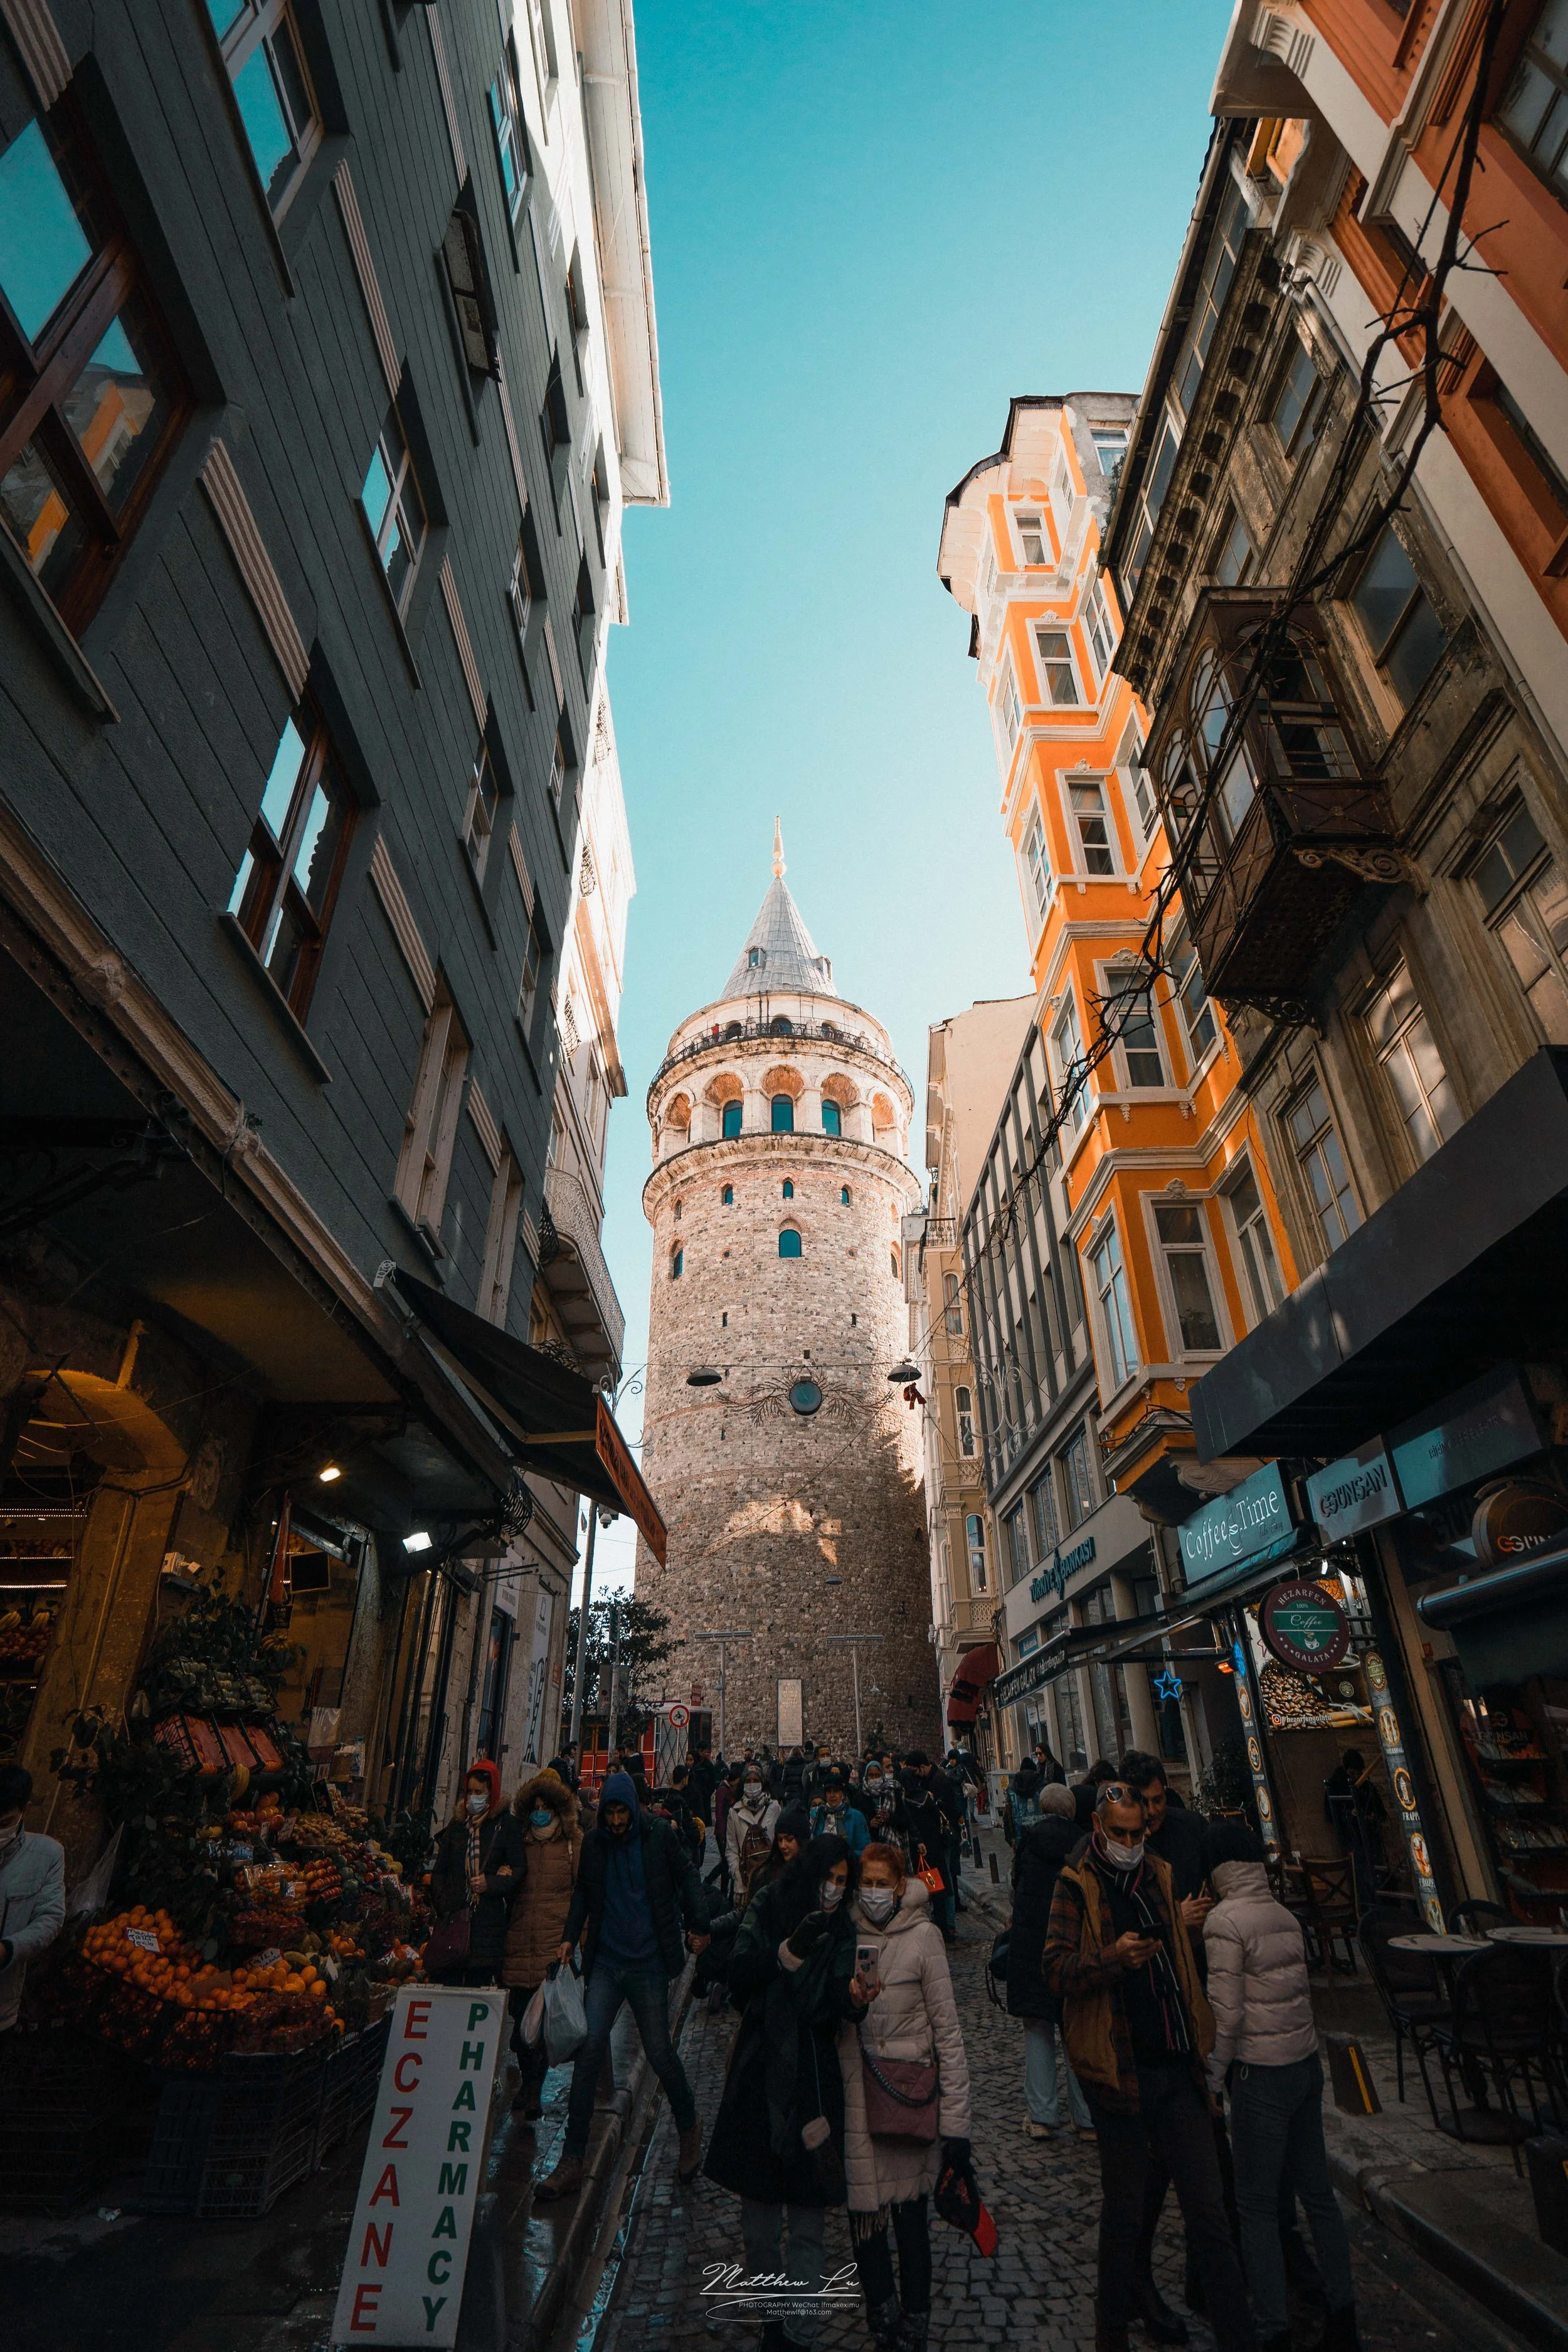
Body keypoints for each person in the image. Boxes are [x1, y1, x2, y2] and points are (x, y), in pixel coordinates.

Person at [1046, 1781, 1254, 2352]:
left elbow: (1183, 1973)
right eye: (1120, 1834)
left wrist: (1202, 2058)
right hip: (1119, 2074)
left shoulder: (1159, 1876)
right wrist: (1112, 1960)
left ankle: (1238, 2335)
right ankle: (1111, 2333)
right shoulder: (1076, 1884)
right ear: (1097, 1828)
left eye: (1137, 1834)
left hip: (1176, 2070)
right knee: (1125, 2217)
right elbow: (1056, 1971)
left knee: (1209, 2213)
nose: (1130, 1843)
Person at [704, 1833, 874, 2352]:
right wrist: (779, 1959)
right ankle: (772, 2320)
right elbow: (736, 1970)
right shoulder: (770, 1903)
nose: (835, 1889)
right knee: (757, 2224)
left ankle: (799, 2336)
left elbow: (844, 2000)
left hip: (814, 2081)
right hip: (761, 2070)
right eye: (831, 1878)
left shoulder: (842, 1928)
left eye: (844, 1883)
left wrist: (856, 2001)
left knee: (807, 2223)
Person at [1204, 1824, 1360, 2352]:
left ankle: (1272, 2327)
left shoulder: (1224, 1921)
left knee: (1257, 2205)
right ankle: (1344, 2314)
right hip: (1304, 2065)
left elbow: (1227, 2017)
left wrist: (1212, 2078)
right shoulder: (1284, 1916)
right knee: (1318, 2196)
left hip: (1260, 2075)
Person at [536, 1771, 710, 2201]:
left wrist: (699, 1923)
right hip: (608, 1962)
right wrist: (568, 1936)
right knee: (590, 2048)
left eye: (621, 1812)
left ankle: (689, 2125)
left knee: (658, 2051)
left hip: (649, 1962)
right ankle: (572, 2159)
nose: (615, 1821)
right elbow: (583, 1895)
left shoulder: (657, 1837)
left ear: (633, 1808)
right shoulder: (595, 1845)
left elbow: (689, 1877)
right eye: (610, 1812)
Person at [839, 1840, 972, 2352]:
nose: (872, 1893)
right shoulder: (844, 1932)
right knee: (865, 2216)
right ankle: (882, 2312)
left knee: (911, 2220)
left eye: (881, 1883)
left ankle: (915, 2315)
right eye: (865, 1883)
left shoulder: (925, 1938)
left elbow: (950, 2034)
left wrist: (957, 2127)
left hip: (909, 2095)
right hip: (856, 2095)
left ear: (899, 1887)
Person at [1007, 1783, 1093, 2141]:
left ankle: (1042, 2116)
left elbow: (1016, 1890)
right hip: (1072, 1947)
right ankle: (1087, 2118)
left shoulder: (1029, 1839)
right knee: (1076, 2033)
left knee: (1039, 2032)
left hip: (1032, 1948)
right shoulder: (1085, 1845)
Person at [502, 1768, 583, 2116]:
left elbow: (583, 1894)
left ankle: (534, 2089)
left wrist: (575, 1938)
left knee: (543, 2024)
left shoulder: (570, 1844)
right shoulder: (518, 1842)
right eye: (534, 1805)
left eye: (545, 1806)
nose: (540, 1811)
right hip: (520, 1940)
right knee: (520, 2023)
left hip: (553, 1944)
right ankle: (526, 2078)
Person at [429, 1760, 529, 1985]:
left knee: (478, 1985)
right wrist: (444, 1903)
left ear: (491, 1792)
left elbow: (519, 1869)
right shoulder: (458, 1825)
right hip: (454, 1922)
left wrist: (491, 1883)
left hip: (487, 1928)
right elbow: (440, 1871)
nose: (474, 1798)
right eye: (470, 1792)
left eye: (480, 1792)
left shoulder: (506, 1825)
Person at [0, 1765, 64, 2037]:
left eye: (3, 1823)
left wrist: (8, 1949)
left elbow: (50, 1918)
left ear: (25, 1809)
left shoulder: (47, 1855)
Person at [728, 1764, 781, 1897]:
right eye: (748, 1781)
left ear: (762, 1782)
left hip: (770, 1879)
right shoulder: (735, 1812)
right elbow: (731, 1848)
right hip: (745, 1883)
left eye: (756, 1781)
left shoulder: (774, 1808)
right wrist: (737, 1873)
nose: (752, 1784)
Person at [811, 1771, 869, 1856]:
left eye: (836, 1791)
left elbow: (865, 1851)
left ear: (842, 1793)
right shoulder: (818, 1815)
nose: (832, 1795)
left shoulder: (856, 1817)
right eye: (829, 1791)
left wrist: (844, 1856)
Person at [1005, 1756, 1043, 1845]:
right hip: (1041, 1835)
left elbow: (1008, 1816)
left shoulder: (1012, 1789)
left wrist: (1010, 1838)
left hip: (1020, 1837)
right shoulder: (1042, 1785)